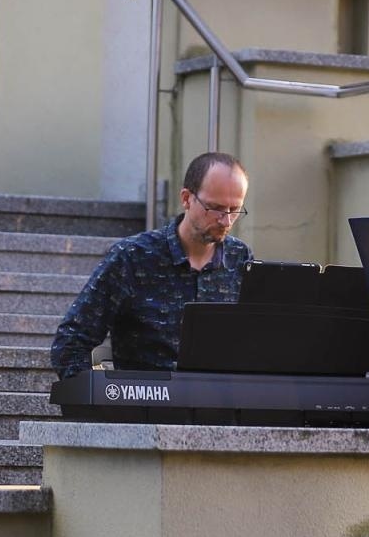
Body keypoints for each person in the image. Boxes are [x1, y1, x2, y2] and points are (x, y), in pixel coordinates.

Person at [51, 152, 253, 379]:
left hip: (219, 405)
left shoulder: (241, 258)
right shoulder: (132, 257)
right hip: (147, 405)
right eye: (215, 208)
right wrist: (104, 400)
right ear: (186, 198)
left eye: (234, 210)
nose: (226, 220)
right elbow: (70, 342)